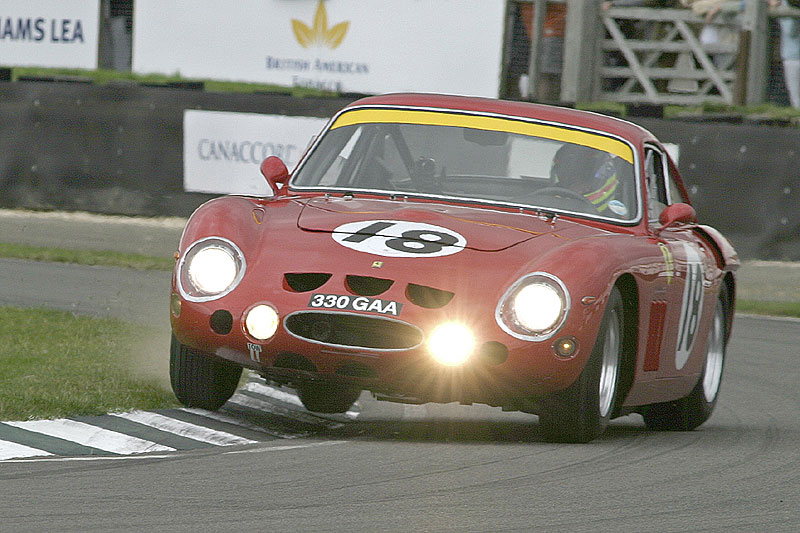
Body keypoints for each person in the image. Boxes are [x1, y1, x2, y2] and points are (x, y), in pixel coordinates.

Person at [549, 144, 629, 217]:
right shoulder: (545, 203)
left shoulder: (618, 218)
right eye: (570, 179)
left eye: (584, 178)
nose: (578, 188)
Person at [770, 0, 800, 108]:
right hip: (791, 55)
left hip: (793, 56)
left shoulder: (788, 7)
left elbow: (791, 30)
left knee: (796, 97)